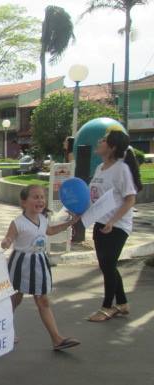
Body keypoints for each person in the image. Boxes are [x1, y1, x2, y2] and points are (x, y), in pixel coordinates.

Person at [0, 185, 81, 350]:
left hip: (39, 262)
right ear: (24, 202)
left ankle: (57, 339)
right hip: (20, 263)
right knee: (15, 298)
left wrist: (70, 222)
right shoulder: (18, 223)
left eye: (42, 197)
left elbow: (49, 231)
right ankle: (4, 330)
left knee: (42, 300)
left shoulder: (43, 219)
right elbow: (8, 238)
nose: (40, 200)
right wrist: (6, 242)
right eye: (35, 197)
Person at [87, 128, 142, 322]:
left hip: (117, 226)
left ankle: (107, 307)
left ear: (111, 147)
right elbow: (94, 197)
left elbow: (130, 199)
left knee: (108, 265)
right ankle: (123, 303)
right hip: (101, 223)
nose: (99, 142)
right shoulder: (100, 168)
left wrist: (113, 221)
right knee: (106, 265)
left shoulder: (121, 169)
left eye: (103, 140)